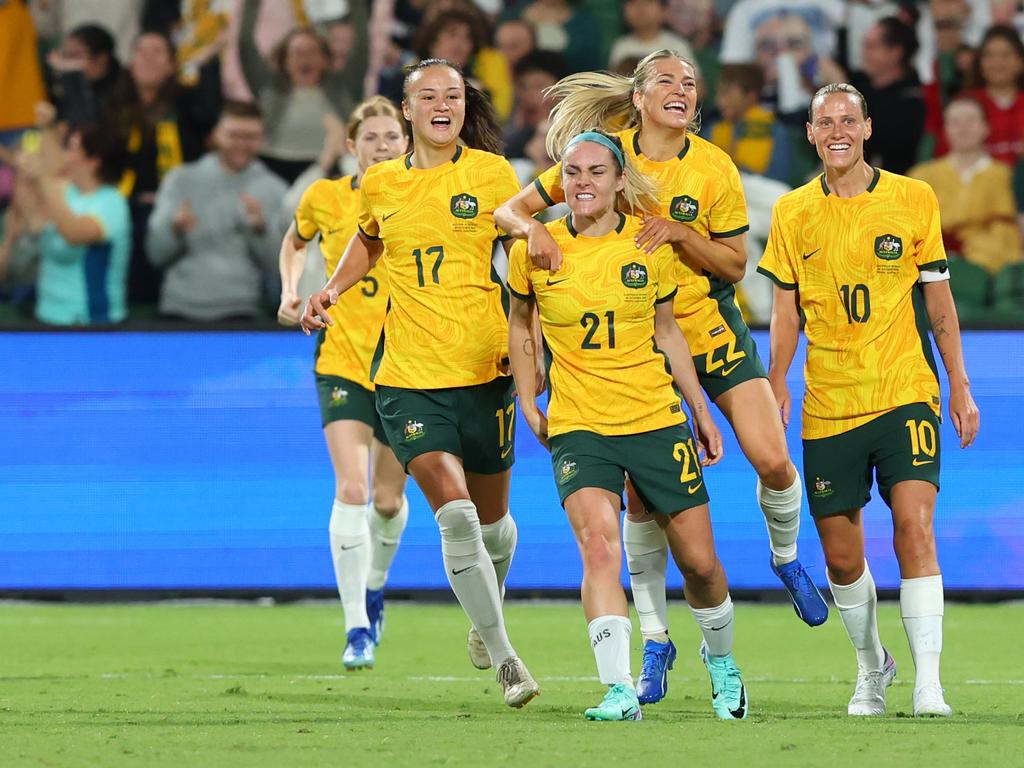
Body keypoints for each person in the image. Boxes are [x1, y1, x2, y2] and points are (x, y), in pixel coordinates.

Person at [494, 49, 828, 707]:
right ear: (639, 96)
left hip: (699, 324)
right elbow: (508, 213)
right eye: (667, 81)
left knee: (772, 459)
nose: (681, 90)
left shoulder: (712, 166)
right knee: (635, 507)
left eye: (690, 82)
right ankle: (651, 641)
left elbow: (734, 267)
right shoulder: (596, 157)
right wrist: (532, 228)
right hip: (628, 351)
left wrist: (678, 233)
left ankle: (786, 558)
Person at [300, 59, 539, 709]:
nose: (442, 104)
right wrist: (331, 289)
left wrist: (536, 248)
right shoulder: (380, 184)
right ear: (405, 111)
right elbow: (369, 241)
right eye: (428, 96)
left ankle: (485, 612)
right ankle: (508, 657)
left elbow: (519, 251)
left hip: (483, 373)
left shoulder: (491, 175)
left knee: (495, 529)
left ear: (465, 106)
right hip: (407, 380)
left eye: (453, 95)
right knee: (456, 516)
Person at [507, 129, 747, 722]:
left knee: (700, 564)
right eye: (571, 172)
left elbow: (669, 333)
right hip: (579, 423)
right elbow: (519, 326)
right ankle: (617, 688)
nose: (581, 182)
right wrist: (527, 401)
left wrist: (700, 407)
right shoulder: (534, 249)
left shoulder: (648, 246)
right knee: (598, 548)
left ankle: (722, 662)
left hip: (653, 419)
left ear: (619, 181)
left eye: (594, 172)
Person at [757, 82, 980, 718]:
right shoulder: (794, 212)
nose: (837, 131)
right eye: (824, 122)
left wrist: (959, 386)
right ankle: (870, 666)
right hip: (829, 403)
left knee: (914, 527)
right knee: (842, 556)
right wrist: (777, 380)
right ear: (810, 134)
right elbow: (784, 309)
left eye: (847, 120)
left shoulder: (914, 199)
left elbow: (939, 300)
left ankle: (928, 683)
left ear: (867, 128)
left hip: (906, 389)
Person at [277, 96, 411, 670]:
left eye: (393, 137)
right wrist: (290, 290)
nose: (384, 145)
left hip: (409, 367)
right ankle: (356, 625)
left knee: (388, 500)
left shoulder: (420, 195)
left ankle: (375, 586)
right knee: (352, 490)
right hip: (344, 360)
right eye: (373, 137)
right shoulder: (325, 197)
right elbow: (295, 241)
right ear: (353, 146)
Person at [108, 30, 222, 304]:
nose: (148, 59)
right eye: (141, 51)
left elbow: (212, 123)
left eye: (158, 52)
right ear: (130, 63)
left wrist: (205, 65)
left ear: (172, 65)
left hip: (183, 204)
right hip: (126, 204)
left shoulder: (189, 103)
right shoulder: (114, 106)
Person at [145, 101, 287, 322]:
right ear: (215, 135)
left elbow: (282, 268)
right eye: (233, 135)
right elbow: (155, 254)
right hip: (177, 309)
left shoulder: (274, 189)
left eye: (250, 136)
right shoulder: (181, 179)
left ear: (262, 139)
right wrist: (175, 230)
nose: (241, 144)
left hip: (241, 311)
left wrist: (261, 230)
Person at [13, 105, 130, 326]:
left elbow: (74, 233)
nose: (66, 154)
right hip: (48, 316)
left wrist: (42, 179)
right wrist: (44, 128)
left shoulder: (112, 203)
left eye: (73, 149)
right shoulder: (66, 192)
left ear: (93, 161)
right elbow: (34, 218)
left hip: (91, 322)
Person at [238, 0, 369, 183]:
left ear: (325, 59)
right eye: (297, 52)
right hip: (273, 167)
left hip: (329, 169)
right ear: (284, 60)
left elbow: (362, 44)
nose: (305, 58)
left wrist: (356, 5)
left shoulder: (343, 87)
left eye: (312, 52)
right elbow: (245, 44)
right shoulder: (269, 87)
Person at [910, 97, 1021, 274]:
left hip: (986, 269)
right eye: (954, 122)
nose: (963, 128)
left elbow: (1005, 232)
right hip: (929, 266)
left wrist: (967, 256)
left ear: (986, 127)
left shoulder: (1004, 176)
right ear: (945, 130)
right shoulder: (921, 176)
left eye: (971, 120)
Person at [849, 17, 926, 176]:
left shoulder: (912, 99)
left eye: (871, 47)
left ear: (895, 53)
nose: (864, 53)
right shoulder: (858, 83)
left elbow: (876, 142)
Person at [963, 25, 1024, 167]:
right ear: (980, 63)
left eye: (1005, 55)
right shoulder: (965, 104)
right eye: (989, 56)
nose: (997, 63)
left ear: (1021, 62)